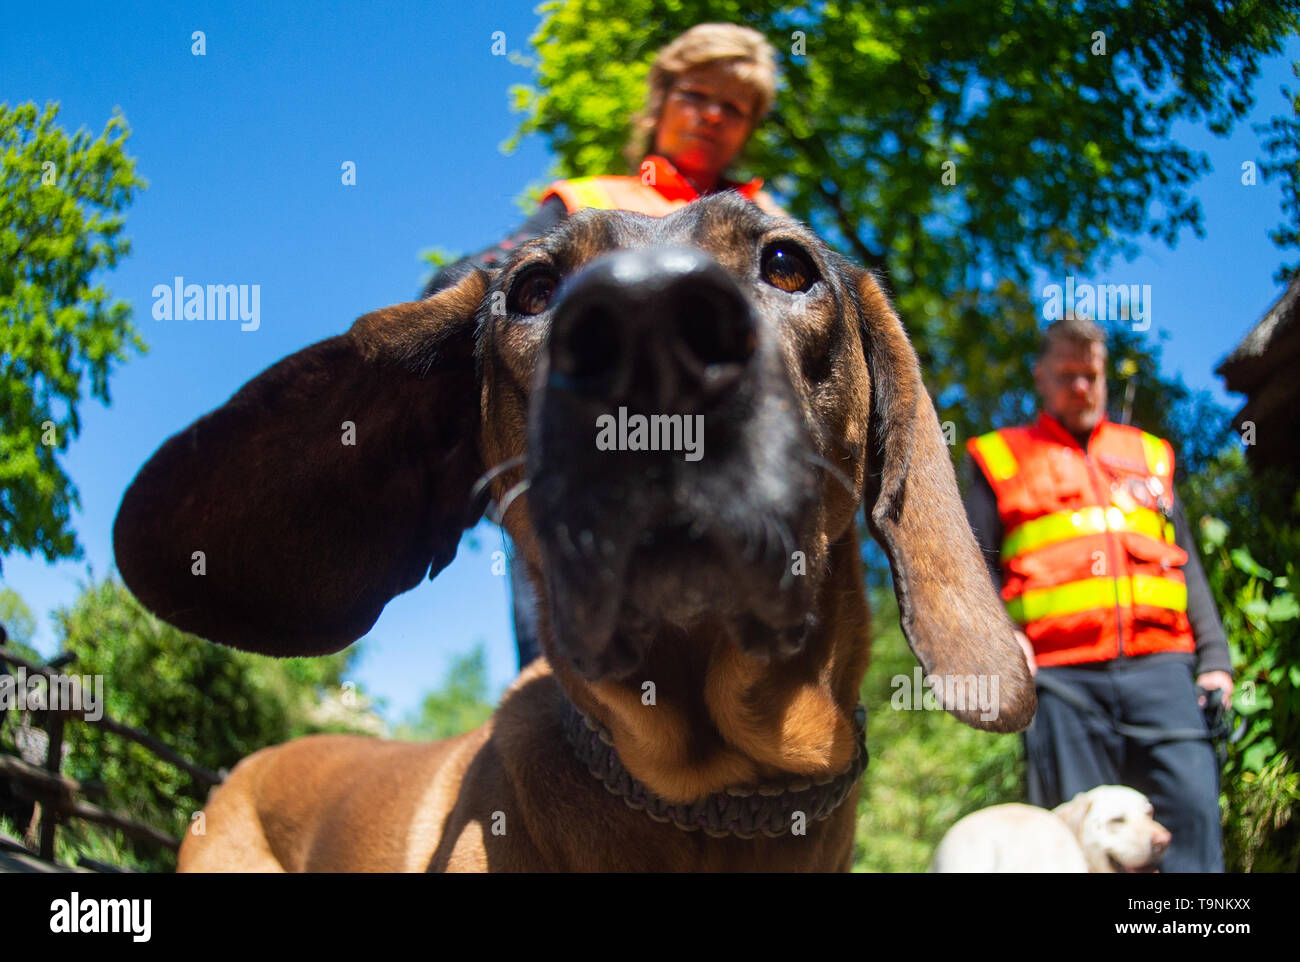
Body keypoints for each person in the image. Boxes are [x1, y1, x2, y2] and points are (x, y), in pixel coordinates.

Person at [422, 23, 784, 669]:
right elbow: (466, 283)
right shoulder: (588, 203)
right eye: (697, 95)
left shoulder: (771, 225)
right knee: (569, 701)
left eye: (735, 108)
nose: (712, 117)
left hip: (735, 472)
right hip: (584, 466)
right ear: (661, 102)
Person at [962, 316, 1233, 873]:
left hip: (1164, 673)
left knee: (1192, 818)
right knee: (1073, 843)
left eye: (1091, 374)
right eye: (1066, 374)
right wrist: (1002, 639)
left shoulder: (1150, 456)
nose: (1081, 386)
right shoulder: (999, 457)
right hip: (1062, 680)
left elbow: (1187, 566)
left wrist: (1216, 662)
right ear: (1040, 377)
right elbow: (972, 565)